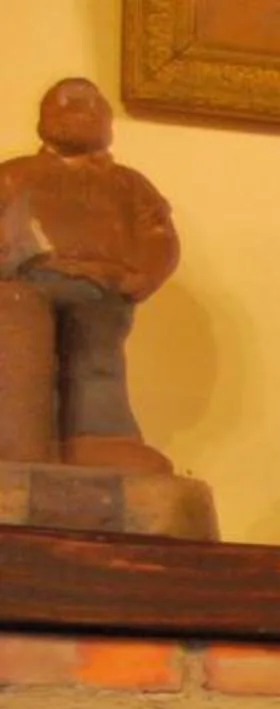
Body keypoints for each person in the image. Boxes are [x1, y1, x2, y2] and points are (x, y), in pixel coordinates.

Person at [0, 79, 178, 472]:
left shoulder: (129, 184)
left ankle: (99, 435)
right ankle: (20, 438)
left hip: (101, 288)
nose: (78, 114)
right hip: (27, 285)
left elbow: (158, 236)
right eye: (65, 107)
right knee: (22, 355)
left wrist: (141, 276)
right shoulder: (13, 176)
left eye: (90, 108)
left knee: (96, 357)